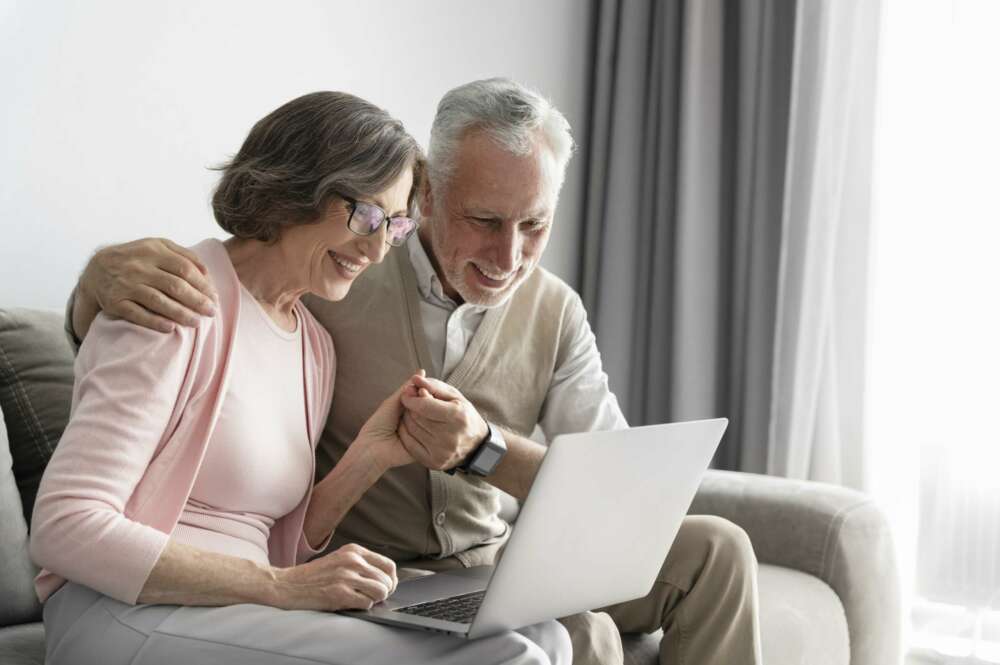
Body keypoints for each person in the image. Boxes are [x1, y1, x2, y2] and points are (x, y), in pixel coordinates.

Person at [67, 79, 763, 665]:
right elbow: (218, 295)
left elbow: (614, 486)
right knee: (576, 635)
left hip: (499, 560)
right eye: (486, 219)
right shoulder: (336, 276)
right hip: (378, 565)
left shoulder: (552, 310)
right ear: (428, 193)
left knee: (717, 550)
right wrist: (94, 284)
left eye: (535, 225)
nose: (509, 253)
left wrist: (481, 449)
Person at [30, 91, 572, 665]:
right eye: (364, 214)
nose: (376, 248)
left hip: (239, 612)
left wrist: (370, 456)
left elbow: (277, 550)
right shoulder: (175, 298)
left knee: (544, 637)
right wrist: (282, 590)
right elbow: (66, 528)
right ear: (293, 190)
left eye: (393, 225)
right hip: (123, 612)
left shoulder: (312, 345)